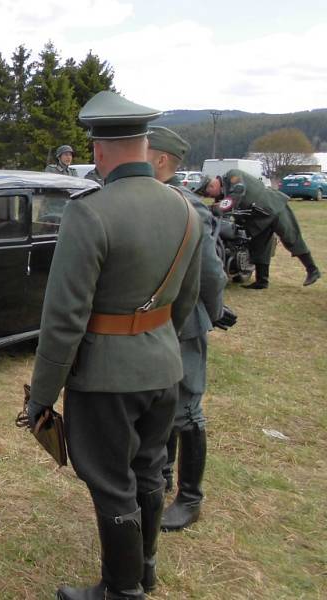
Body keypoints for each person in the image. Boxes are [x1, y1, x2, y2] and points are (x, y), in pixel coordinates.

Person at [27, 92, 203, 600]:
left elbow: (64, 319)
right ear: (145, 146)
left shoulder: (90, 213)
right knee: (148, 470)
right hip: (163, 367)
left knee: (109, 481)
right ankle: (144, 569)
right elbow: (185, 302)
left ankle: (122, 590)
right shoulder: (185, 210)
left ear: (100, 152)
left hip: (106, 378)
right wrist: (155, 342)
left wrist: (42, 395)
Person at [147, 126, 231, 531]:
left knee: (186, 409)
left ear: (161, 159)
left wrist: (213, 314)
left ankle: (190, 498)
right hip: (158, 322)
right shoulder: (152, 199)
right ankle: (161, 474)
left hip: (185, 324)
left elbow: (211, 274)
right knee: (162, 401)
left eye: (142, 150)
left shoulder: (188, 206)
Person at [198, 171, 321, 288]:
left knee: (291, 237)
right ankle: (262, 281)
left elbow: (237, 193)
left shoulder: (232, 176)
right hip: (258, 218)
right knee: (259, 246)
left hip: (273, 207)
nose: (210, 196)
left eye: (208, 194)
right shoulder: (223, 194)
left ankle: (312, 270)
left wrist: (215, 208)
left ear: (212, 186)